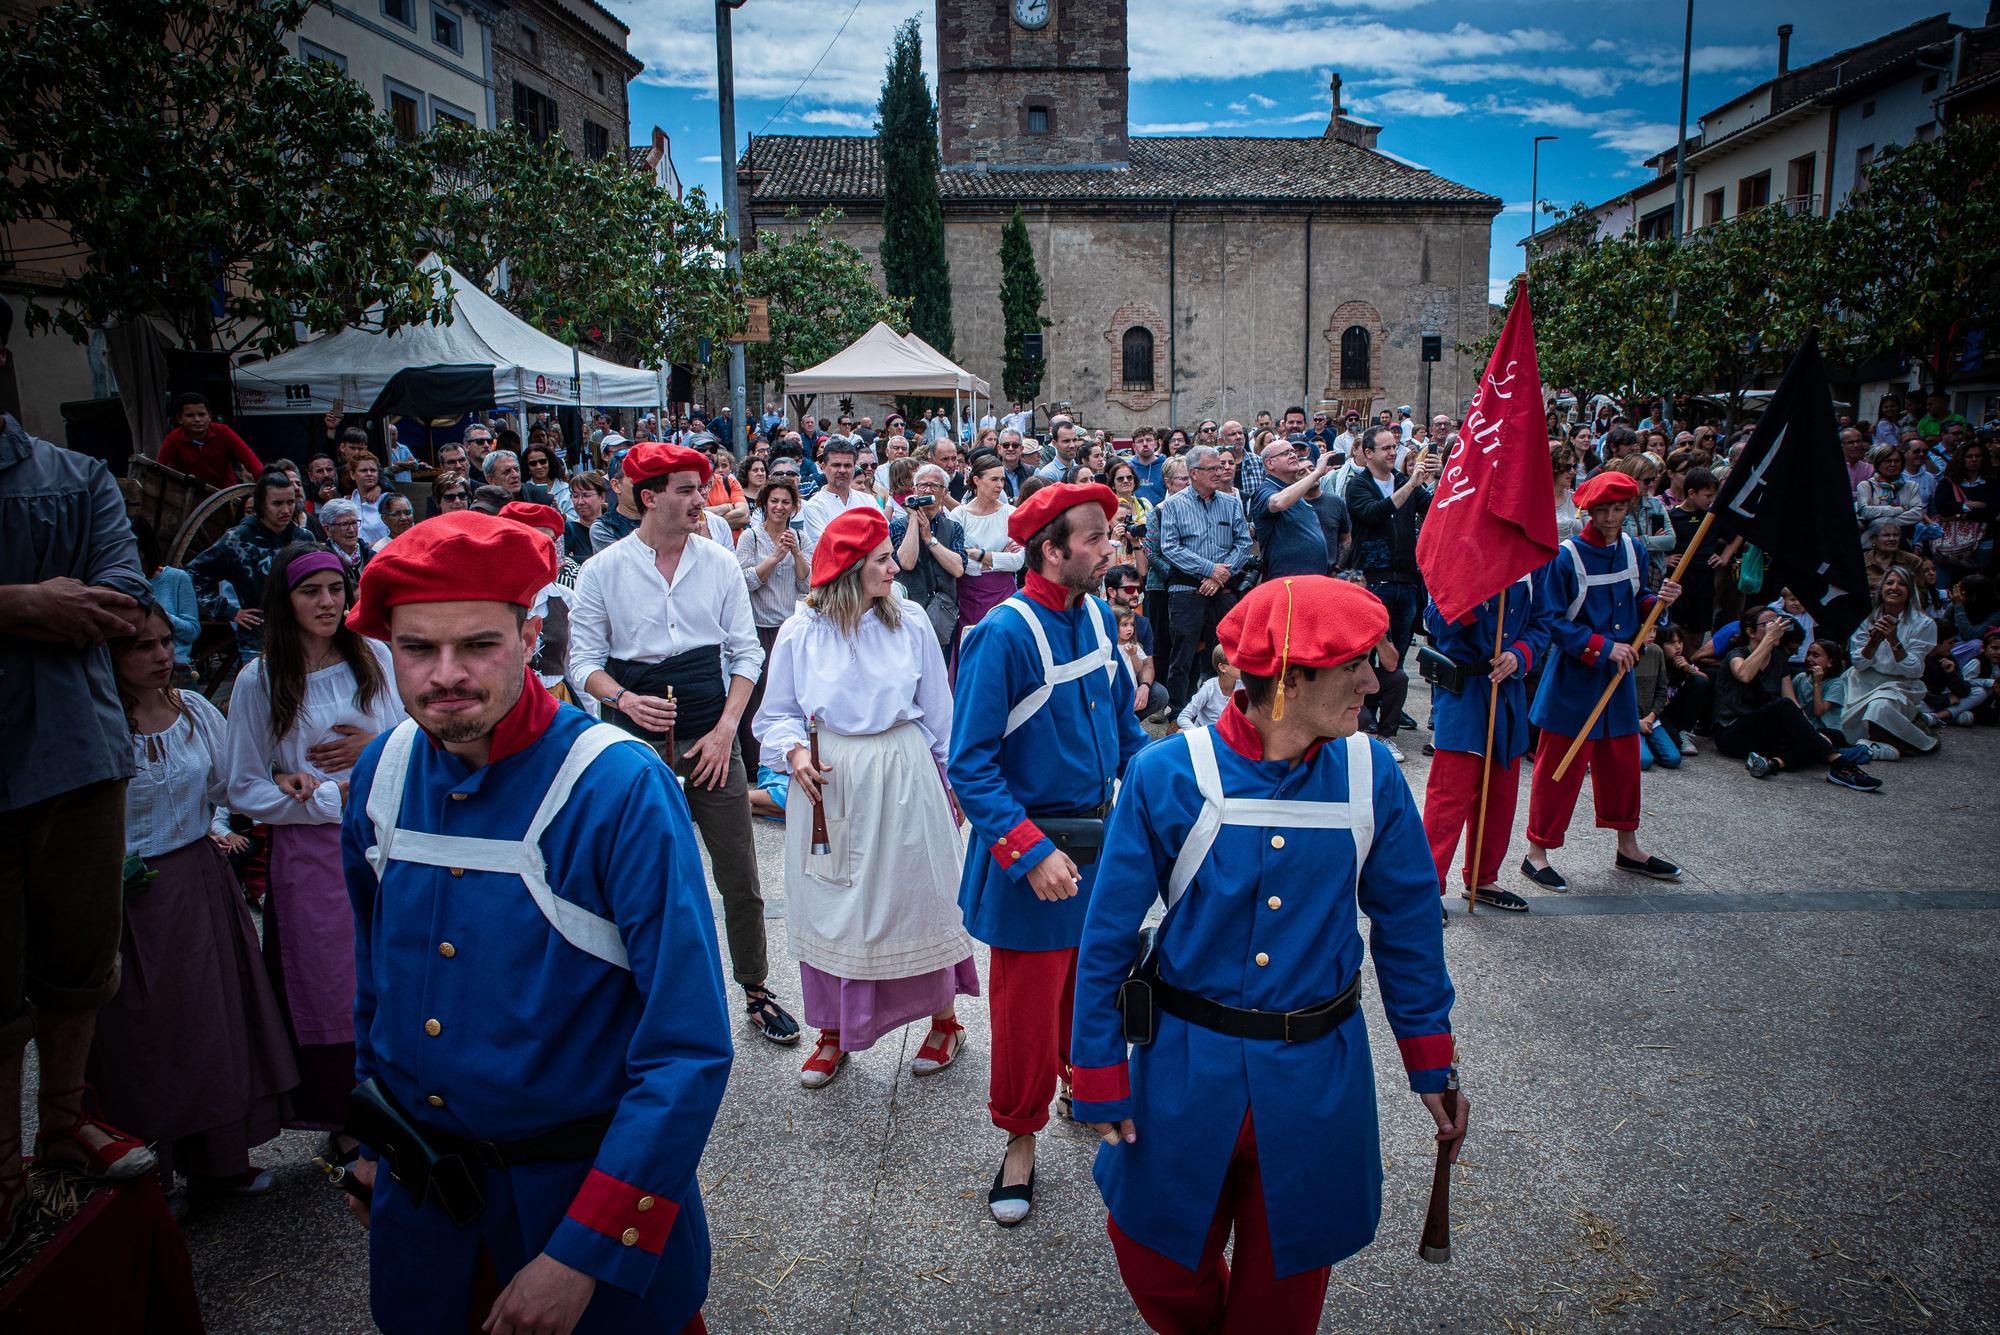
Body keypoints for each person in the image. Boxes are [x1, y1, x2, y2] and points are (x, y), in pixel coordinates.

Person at [335, 510, 732, 1334]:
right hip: (427, 1216)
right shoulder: (382, 770)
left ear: (530, 634)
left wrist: (583, 1251)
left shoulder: (616, 787)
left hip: (576, 1213)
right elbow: (377, 981)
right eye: (417, 648)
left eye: (478, 643)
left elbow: (687, 1048)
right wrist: (376, 1140)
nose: (447, 674)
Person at [1069, 575, 1464, 1335]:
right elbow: (1108, 938)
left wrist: (1431, 1057)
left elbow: (1410, 923)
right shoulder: (1167, 773)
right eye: (1352, 663)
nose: (1373, 680)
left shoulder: (1371, 772)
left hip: (1318, 1079)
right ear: (1287, 678)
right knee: (1154, 1259)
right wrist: (1098, 1069)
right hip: (1183, 1071)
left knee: (1283, 1299)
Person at [948, 483, 1147, 1227]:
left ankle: (1085, 1087)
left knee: (1092, 992)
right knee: (1028, 1015)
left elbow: (1126, 732)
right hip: (1031, 860)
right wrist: (1028, 851)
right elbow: (969, 763)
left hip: (1098, 852)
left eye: (1108, 534)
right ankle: (1019, 1138)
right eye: (1093, 537)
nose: (1109, 549)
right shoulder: (1002, 633)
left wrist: (1178, 790)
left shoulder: (1096, 613)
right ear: (1050, 549)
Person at [568, 441, 800, 1046]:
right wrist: (620, 699)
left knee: (739, 871)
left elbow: (745, 654)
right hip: (632, 741)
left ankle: (755, 988)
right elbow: (582, 661)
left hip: (709, 731)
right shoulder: (604, 569)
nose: (703, 500)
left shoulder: (719, 563)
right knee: (639, 873)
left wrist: (727, 730)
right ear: (649, 498)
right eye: (688, 490)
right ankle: (642, 994)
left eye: (702, 488)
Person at [0, 410, 160, 1241]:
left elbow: (123, 599)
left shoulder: (74, 475)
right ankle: (2, 1167)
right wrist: (26, 600)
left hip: (77, 750)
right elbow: (71, 605)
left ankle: (64, 1124)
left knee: (80, 958)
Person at [752, 508, 977, 1089]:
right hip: (829, 780)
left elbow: (940, 712)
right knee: (834, 907)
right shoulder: (803, 629)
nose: (894, 569)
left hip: (903, 773)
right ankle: (832, 1031)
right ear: (851, 569)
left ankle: (945, 1021)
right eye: (881, 560)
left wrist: (952, 786)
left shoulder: (911, 621)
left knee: (915, 898)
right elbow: (775, 713)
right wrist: (794, 753)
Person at [92, 605, 296, 1195]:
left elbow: (230, 784)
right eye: (142, 647)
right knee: (141, 1034)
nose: (161, 656)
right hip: (127, 896)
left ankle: (218, 1164)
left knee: (212, 1023)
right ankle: (149, 1175)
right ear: (110, 656)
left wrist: (278, 784)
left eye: (164, 643)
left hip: (199, 884)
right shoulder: (99, 722)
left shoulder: (196, 711)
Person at [224, 544, 404, 1129]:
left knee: (400, 967)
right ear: (286, 599)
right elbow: (244, 785)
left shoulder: (374, 656)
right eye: (311, 591)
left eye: (335, 587)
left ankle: (409, 1097)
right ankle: (349, 1119)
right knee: (331, 981)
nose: (328, 602)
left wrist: (371, 753)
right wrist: (331, 797)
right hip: (311, 853)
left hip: (387, 833)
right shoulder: (261, 679)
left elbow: (416, 737)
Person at [1522, 472, 1684, 892]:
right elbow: (1552, 620)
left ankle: (1628, 847)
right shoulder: (1566, 555)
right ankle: (1536, 852)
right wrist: (1599, 646)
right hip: (1575, 679)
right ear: (1588, 511)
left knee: (1623, 766)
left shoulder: (1633, 549)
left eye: (1618, 509)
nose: (1611, 517)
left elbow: (1636, 601)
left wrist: (1659, 602)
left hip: (1618, 679)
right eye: (1603, 510)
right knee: (1558, 768)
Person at [1421, 573, 1550, 915]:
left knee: (1501, 796)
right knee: (1448, 798)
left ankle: (1483, 878)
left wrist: (1520, 654)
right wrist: (1474, 594)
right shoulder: (1460, 562)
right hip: (1462, 692)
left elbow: (1542, 624)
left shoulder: (1532, 565)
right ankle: (1427, 888)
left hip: (1506, 693)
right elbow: (1434, 621)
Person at [1712, 607, 1882, 789]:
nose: (1776, 627)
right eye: (1769, 624)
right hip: (1732, 733)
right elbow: (1744, 675)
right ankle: (1841, 765)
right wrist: (1769, 639)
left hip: (1765, 736)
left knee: (1831, 736)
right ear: (1751, 632)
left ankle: (1773, 763)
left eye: (1778, 622)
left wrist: (1811, 732)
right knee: (1789, 713)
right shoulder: (1737, 655)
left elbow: (1792, 701)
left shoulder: (1778, 659)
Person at [1345, 426, 1435, 761]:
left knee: (1395, 656)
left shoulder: (1404, 481)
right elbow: (1374, 514)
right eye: (1384, 448)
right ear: (1367, 453)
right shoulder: (1358, 485)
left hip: (1405, 580)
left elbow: (1433, 507)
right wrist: (1411, 484)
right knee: (1364, 652)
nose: (1391, 453)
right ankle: (1360, 719)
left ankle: (1388, 727)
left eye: (1394, 447)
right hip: (1371, 580)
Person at [1158, 445, 1253, 714]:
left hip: (1223, 590)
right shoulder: (1174, 505)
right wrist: (1210, 569)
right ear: (1194, 473)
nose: (1220, 472)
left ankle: (1222, 712)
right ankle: (1178, 712)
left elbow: (1244, 544)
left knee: (1223, 653)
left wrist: (1220, 576)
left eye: (1221, 467)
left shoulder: (1231, 503)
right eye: (1212, 468)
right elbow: (1170, 547)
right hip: (1186, 590)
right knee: (1183, 654)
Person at [188, 468, 313, 664]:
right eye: (277, 504)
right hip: (259, 644)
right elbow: (194, 573)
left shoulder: (303, 538)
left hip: (304, 637)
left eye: (290, 502)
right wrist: (228, 611)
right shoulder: (237, 539)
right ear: (261, 505)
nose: (286, 510)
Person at [736, 477, 810, 764]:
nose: (779, 507)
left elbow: (807, 585)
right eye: (774, 501)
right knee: (759, 694)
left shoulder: (800, 538)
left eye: (785, 502)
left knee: (789, 693)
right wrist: (775, 557)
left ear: (794, 507)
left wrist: (796, 553)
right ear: (764, 504)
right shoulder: (750, 537)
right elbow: (745, 581)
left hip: (789, 627)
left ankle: (790, 755)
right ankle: (758, 760)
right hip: (759, 627)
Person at [1839, 566, 1939, 756]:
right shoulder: (1868, 617)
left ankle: (1899, 743)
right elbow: (1859, 663)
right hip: (1862, 680)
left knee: (1879, 707)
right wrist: (1873, 642)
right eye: (1890, 582)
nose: (1894, 588)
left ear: (1910, 591)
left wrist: (1894, 640)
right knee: (1838, 724)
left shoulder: (1923, 624)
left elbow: (1914, 670)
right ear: (1882, 587)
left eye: (1902, 584)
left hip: (1900, 684)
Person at [890, 463, 968, 656]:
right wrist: (913, 520)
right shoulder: (898, 526)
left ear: (944, 492)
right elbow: (906, 562)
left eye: (935, 486)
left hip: (942, 614)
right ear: (914, 490)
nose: (928, 490)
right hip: (909, 612)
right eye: (923, 486)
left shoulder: (953, 527)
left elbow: (958, 569)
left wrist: (929, 540)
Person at [955, 453, 1024, 639]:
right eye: (994, 479)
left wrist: (977, 554)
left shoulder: (1011, 513)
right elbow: (958, 561)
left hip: (1005, 593)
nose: (1000, 484)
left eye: (1002, 479)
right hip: (969, 597)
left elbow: (1017, 561)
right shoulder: (959, 515)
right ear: (976, 480)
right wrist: (998, 557)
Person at [1250, 439, 1332, 580]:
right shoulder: (1266, 489)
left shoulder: (1292, 489)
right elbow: (1278, 503)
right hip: (1286, 581)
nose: (1293, 455)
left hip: (1312, 578)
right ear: (1270, 463)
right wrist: (1317, 472)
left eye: (1293, 452)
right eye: (1286, 453)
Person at [132, 516, 200, 680]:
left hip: (174, 668)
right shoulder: (118, 583)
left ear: (144, 549)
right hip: (134, 669)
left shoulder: (176, 578)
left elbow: (192, 631)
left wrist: (159, 614)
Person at [156, 391, 263, 489]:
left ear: (210, 416)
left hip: (226, 495)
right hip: (189, 497)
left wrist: (266, 486)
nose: (197, 419)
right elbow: (159, 470)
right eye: (190, 415)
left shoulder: (223, 432)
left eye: (201, 414)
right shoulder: (173, 439)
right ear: (179, 419)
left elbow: (251, 462)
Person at [800, 438, 879, 548]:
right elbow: (828, 547)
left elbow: (883, 537)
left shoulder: (868, 501)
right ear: (823, 467)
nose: (842, 470)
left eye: (847, 465)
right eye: (836, 465)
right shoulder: (814, 507)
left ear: (854, 467)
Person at [1632, 625, 1680, 772]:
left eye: (1655, 630)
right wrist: (1636, 722)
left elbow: (1661, 690)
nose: (1652, 635)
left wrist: (1652, 716)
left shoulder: (1656, 651)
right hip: (1629, 720)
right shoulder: (1625, 653)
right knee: (1644, 762)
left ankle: (1645, 743)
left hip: (1650, 718)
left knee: (1673, 759)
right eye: (1647, 630)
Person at [1174, 646, 1237, 731]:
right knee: (1180, 732)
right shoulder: (1209, 688)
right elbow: (1183, 717)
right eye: (1236, 662)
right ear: (1222, 667)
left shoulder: (1244, 687)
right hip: (1206, 735)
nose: (1243, 665)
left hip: (1229, 737)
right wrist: (1199, 734)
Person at [522, 440, 576, 523]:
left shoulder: (565, 488)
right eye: (533, 463)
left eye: (542, 461)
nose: (539, 466)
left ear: (549, 462)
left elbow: (575, 520)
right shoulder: (523, 490)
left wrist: (558, 511)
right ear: (528, 467)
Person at [319, 498, 372, 580]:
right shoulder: (323, 561)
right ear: (327, 529)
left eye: (354, 523)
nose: (351, 530)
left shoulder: (369, 555)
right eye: (344, 524)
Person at [348, 453, 393, 547]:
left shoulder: (390, 501)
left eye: (373, 470)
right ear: (352, 474)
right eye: (363, 470)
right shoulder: (347, 503)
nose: (369, 474)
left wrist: (367, 547)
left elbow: (402, 535)